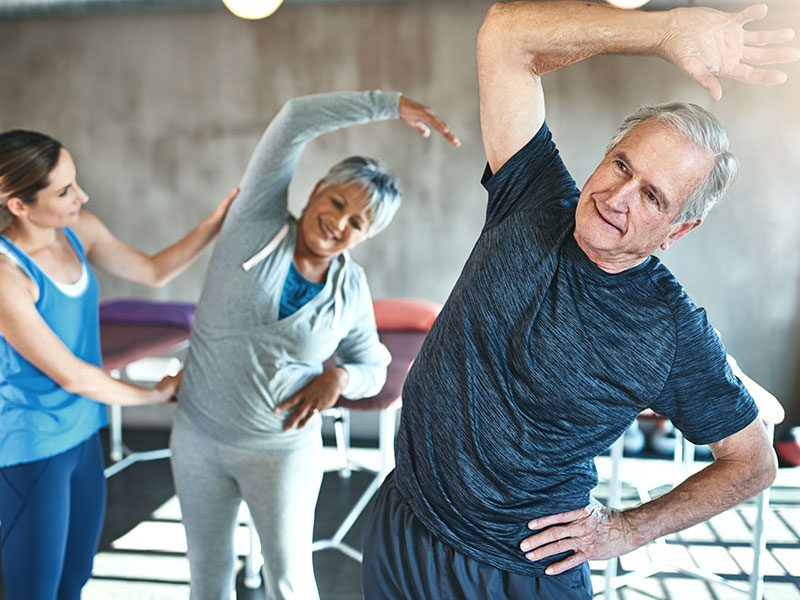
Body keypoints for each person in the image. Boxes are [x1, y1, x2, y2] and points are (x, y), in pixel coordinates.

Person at [362, 2, 799, 598]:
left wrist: (629, 528)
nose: (618, 197)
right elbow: (505, 35)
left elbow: (753, 463)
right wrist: (662, 32)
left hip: (514, 572)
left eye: (653, 197)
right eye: (622, 164)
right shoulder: (531, 194)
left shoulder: (670, 331)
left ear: (678, 231)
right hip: (405, 520)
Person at [169, 90, 459, 600]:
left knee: (290, 583)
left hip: (280, 452)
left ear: (364, 237)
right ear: (319, 187)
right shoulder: (253, 225)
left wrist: (339, 377)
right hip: (197, 439)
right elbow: (294, 120)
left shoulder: (349, 288)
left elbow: (374, 363)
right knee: (207, 583)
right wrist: (390, 105)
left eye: (357, 222)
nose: (338, 221)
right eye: (338, 201)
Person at [0, 129, 238, 599]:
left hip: (83, 432)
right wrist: (153, 394)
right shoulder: (7, 275)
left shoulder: (79, 231)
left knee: (75, 578)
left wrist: (216, 222)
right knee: (36, 591)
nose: (81, 196)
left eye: (76, 182)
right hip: (30, 445)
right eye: (65, 190)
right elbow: (71, 374)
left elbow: (154, 270)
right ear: (19, 205)